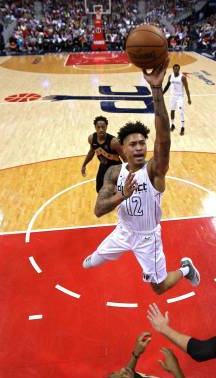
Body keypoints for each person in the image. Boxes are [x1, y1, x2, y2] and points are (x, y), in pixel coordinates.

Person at [82, 59, 200, 295]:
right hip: (123, 231)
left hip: (148, 239)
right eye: (132, 144)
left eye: (142, 143)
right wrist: (121, 195)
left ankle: (186, 270)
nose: (138, 148)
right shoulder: (115, 172)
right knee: (91, 262)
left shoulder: (154, 171)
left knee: (159, 288)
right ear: (122, 149)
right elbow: (98, 209)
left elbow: (164, 139)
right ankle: (98, 255)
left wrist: (156, 90)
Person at [89, 332, 200, 378]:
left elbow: (126, 375)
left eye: (114, 373)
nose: (123, 370)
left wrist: (135, 355)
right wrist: (176, 370)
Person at [82, 116, 126, 192]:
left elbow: (125, 158)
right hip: (103, 166)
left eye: (103, 127)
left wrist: (130, 172)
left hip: (116, 168)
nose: (101, 129)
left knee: (116, 192)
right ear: (95, 127)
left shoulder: (114, 142)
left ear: (106, 127)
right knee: (99, 189)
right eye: (98, 127)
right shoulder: (92, 139)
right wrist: (84, 164)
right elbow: (91, 152)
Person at [162, 64, 191, 136]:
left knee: (181, 111)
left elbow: (187, 88)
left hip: (180, 97)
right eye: (175, 69)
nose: (176, 70)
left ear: (179, 69)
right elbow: (167, 85)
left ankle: (183, 127)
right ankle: (172, 125)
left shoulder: (182, 78)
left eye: (177, 69)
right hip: (172, 97)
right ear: (173, 69)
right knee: (172, 111)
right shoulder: (170, 76)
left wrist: (189, 98)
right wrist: (162, 93)